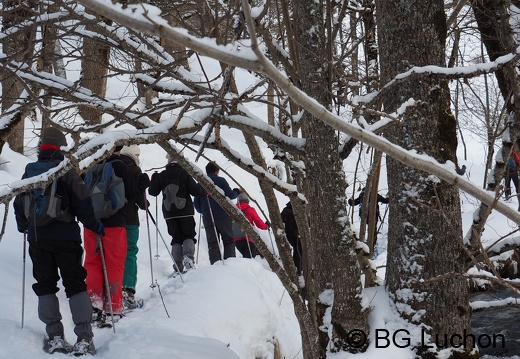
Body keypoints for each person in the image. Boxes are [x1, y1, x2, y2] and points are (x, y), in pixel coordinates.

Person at [13, 127, 104, 355]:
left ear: (42, 148)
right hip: (66, 237)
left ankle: (54, 336)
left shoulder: (29, 172)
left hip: (38, 238)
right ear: (60, 148)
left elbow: (18, 202)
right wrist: (96, 226)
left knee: (45, 285)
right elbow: (83, 204)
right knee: (75, 284)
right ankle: (84, 338)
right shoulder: (66, 171)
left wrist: (24, 226)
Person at [83, 145, 139, 325]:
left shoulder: (90, 166)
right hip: (115, 223)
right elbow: (133, 195)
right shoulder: (120, 166)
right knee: (114, 263)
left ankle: (94, 303)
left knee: (92, 262)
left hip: (91, 222)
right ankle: (114, 307)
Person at [148, 155, 206, 274]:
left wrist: (154, 179)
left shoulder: (161, 175)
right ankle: (188, 259)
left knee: (176, 238)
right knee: (188, 235)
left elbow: (152, 192)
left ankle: (177, 266)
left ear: (168, 161)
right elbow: (195, 191)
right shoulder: (184, 173)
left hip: (169, 213)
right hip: (186, 212)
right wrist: (204, 190)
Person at [119, 145, 150, 308]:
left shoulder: (113, 166)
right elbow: (136, 196)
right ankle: (127, 291)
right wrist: (145, 203)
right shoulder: (134, 170)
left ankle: (113, 292)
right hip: (129, 218)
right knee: (130, 252)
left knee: (115, 254)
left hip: (111, 219)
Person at [194, 162, 239, 264]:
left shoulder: (200, 183)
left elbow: (196, 203)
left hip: (208, 217)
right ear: (216, 171)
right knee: (228, 240)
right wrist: (236, 191)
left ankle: (216, 265)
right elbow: (231, 195)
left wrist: (202, 211)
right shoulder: (221, 180)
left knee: (213, 243)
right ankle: (230, 264)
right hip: (223, 216)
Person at [233, 192, 270, 258]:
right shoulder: (250, 210)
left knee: (246, 260)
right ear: (247, 201)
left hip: (236, 240)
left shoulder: (233, 209)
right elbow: (259, 223)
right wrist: (266, 226)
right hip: (248, 239)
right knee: (250, 260)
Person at [280, 202, 302, 275]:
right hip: (295, 235)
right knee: (298, 251)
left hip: (289, 234)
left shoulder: (285, 210)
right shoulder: (294, 212)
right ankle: (298, 269)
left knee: (297, 250)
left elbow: (278, 218)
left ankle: (297, 269)